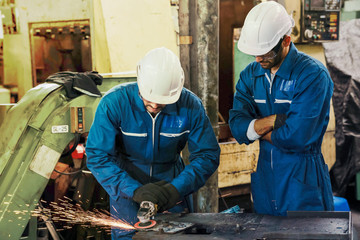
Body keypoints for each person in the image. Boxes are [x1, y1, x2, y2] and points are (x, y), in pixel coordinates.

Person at [86, 47, 220, 239]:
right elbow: (97, 156)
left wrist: (175, 190)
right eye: (150, 98)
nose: (156, 105)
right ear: (140, 82)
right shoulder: (114, 104)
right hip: (126, 191)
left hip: (172, 187)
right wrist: (133, 190)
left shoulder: (191, 106)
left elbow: (207, 155)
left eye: (163, 100)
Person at [229, 1, 334, 216]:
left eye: (265, 54)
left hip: (302, 180)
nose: (258, 59)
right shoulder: (251, 74)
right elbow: (237, 127)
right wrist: (270, 121)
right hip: (265, 178)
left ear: (286, 41)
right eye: (254, 54)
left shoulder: (312, 75)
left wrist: (255, 130)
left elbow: (296, 137)